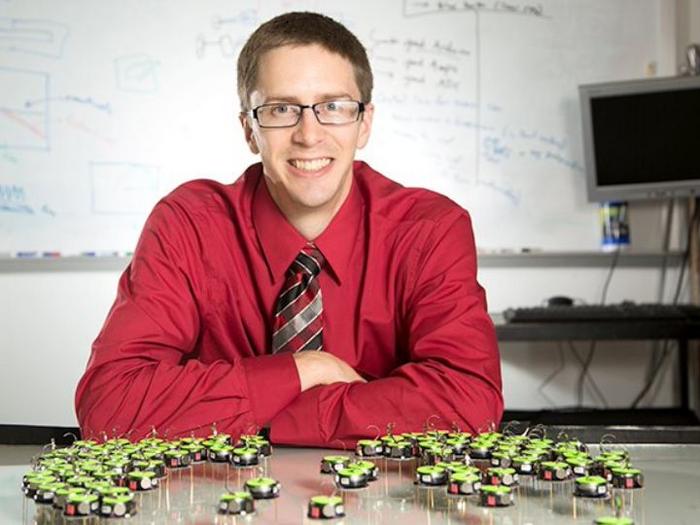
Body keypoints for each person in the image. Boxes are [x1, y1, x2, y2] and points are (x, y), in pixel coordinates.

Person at [75, 11, 503, 446]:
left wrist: (264, 416)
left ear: (365, 123)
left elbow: (467, 402)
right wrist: (307, 369)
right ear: (249, 129)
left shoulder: (429, 229)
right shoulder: (188, 226)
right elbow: (109, 406)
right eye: (281, 109)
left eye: (333, 107)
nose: (308, 134)